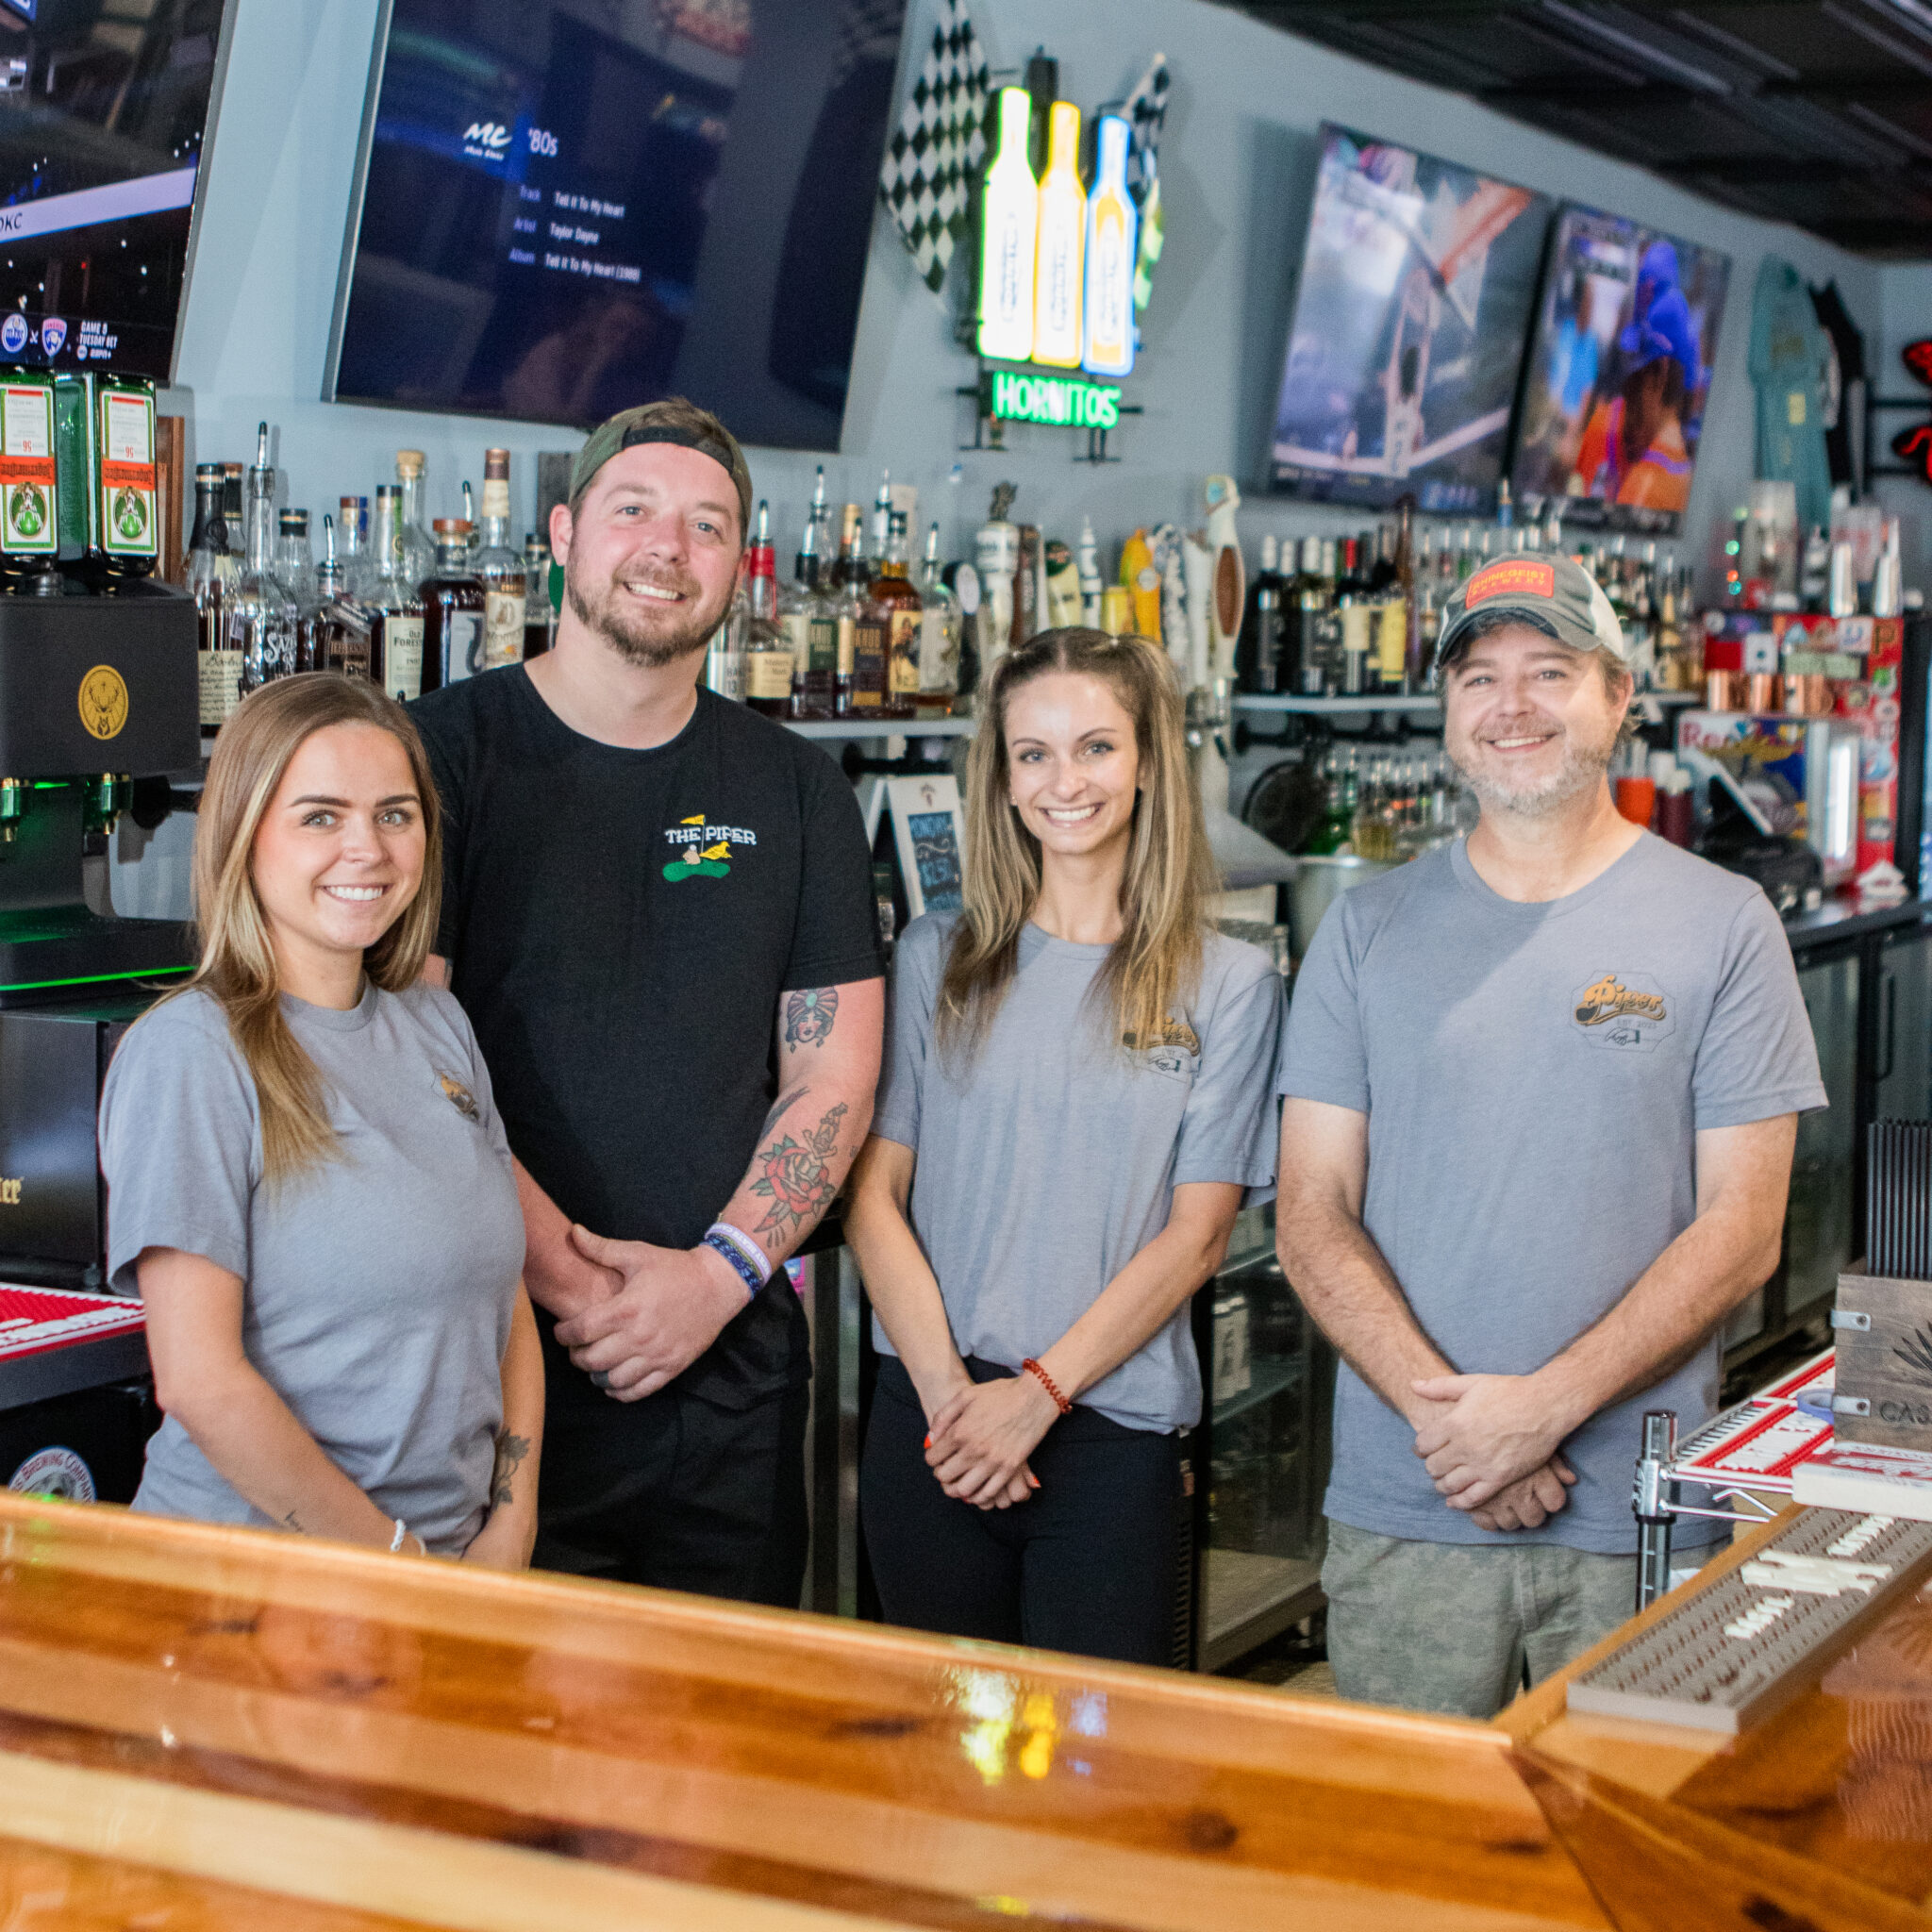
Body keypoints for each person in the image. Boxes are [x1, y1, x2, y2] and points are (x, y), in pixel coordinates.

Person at [1275, 554, 1824, 1718]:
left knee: (1626, 1865)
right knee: (1408, 1875)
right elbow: (1309, 1209)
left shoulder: (1723, 924)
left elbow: (1742, 1231)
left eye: (1548, 670)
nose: (1509, 704)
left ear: (1617, 695)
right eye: (1478, 676)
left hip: (1639, 1502)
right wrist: (1459, 1431)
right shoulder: (1364, 930)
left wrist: (1533, 1415)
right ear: (1448, 711)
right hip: (1408, 1501)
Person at [411, 398, 883, 1607]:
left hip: (728, 1372)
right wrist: (583, 1293)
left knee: (725, 1759)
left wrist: (716, 1278)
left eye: (707, 525)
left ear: (736, 564)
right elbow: (408, 1060)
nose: (668, 547)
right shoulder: (433, 758)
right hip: (494, 1362)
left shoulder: (797, 789)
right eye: (635, 510)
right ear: (564, 533)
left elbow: (831, 1076)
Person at [846, 630, 1283, 1665]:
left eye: (1095, 747)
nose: (1064, 781)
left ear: (1146, 763)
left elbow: (1197, 1235)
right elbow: (873, 1196)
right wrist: (959, 1404)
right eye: (1032, 753)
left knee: (1092, 1775)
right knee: (937, 1760)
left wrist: (1035, 1397)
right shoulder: (934, 957)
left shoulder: (1226, 981)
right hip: (933, 1421)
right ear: (999, 777)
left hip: (1103, 1434)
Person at [99, 675, 541, 1563]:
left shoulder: (435, 1024)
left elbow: (506, 1304)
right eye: (319, 817)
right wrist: (392, 1560)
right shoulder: (192, 1052)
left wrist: (511, 1518)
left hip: (451, 1575)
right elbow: (198, 1381)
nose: (366, 850)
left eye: (394, 814)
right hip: (250, 1588)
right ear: (244, 835)